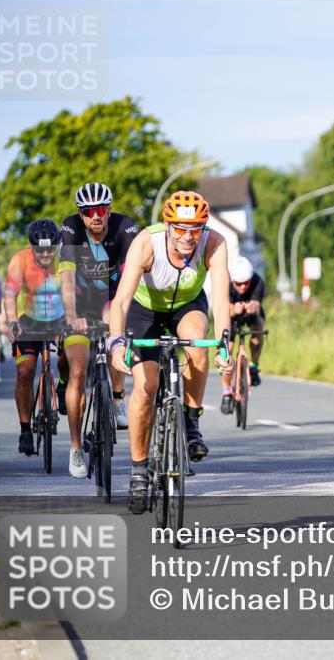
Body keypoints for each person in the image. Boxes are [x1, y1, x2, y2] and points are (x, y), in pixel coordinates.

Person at [108, 190, 232, 514]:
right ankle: (138, 472)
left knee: (198, 343)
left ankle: (191, 423)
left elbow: (221, 300)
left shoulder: (214, 243)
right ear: (168, 225)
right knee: (145, 389)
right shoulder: (146, 243)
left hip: (186, 305)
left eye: (195, 229)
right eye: (180, 229)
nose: (188, 237)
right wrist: (116, 342)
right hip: (144, 309)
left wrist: (224, 345)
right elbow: (120, 302)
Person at [59, 182, 139, 468]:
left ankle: (117, 397)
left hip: (112, 299)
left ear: (110, 210)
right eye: (89, 211)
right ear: (81, 215)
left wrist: (121, 313)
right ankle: (75, 448)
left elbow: (132, 275)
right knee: (77, 371)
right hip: (80, 304)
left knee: (115, 335)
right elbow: (67, 280)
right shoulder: (70, 229)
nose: (96, 216)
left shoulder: (124, 228)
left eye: (101, 210)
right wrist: (72, 316)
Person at [4, 219, 76, 472]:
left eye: (50, 250)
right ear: (31, 247)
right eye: (40, 250)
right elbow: (10, 295)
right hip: (29, 320)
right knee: (25, 372)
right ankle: (25, 429)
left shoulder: (64, 260)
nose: (45, 255)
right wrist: (12, 321)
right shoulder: (19, 260)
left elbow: (73, 292)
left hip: (59, 318)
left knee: (71, 357)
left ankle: (63, 385)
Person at [220, 256, 266, 413]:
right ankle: (226, 392)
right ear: (233, 281)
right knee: (228, 348)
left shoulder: (258, 281)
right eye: (238, 284)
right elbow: (223, 308)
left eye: (246, 282)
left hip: (251, 313)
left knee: (258, 327)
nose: (243, 287)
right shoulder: (225, 284)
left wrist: (252, 306)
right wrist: (234, 310)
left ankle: (254, 366)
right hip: (231, 314)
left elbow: (257, 304)